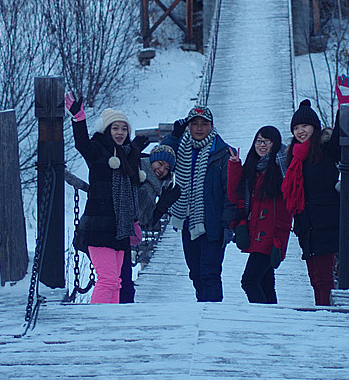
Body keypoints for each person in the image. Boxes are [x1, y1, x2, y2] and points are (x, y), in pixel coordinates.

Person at [281, 75, 349, 306]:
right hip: (307, 226)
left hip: (326, 223)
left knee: (324, 280)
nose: (300, 131)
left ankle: (327, 319)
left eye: (305, 126)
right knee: (314, 280)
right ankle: (322, 315)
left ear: (315, 127)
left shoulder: (326, 149)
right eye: (296, 127)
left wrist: (344, 104)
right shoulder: (293, 156)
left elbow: (342, 136)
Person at [65, 93, 144, 304]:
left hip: (120, 228)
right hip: (99, 226)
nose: (120, 132)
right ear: (106, 129)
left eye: (124, 128)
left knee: (116, 282)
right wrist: (78, 119)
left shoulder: (128, 155)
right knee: (108, 279)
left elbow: (134, 191)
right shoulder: (97, 150)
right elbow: (82, 144)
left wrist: (134, 222)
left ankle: (112, 324)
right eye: (115, 128)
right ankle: (95, 324)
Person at [161, 106, 235, 302]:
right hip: (187, 222)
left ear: (212, 126)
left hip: (213, 224)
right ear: (189, 127)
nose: (199, 128)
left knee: (209, 273)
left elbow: (231, 191)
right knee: (195, 274)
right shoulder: (182, 147)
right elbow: (161, 158)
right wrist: (174, 136)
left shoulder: (224, 153)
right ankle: (202, 310)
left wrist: (228, 223)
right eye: (194, 124)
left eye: (204, 124)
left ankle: (211, 318)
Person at [227, 126, 291, 304]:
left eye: (267, 141)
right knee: (265, 282)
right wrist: (234, 166)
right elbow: (234, 195)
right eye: (259, 141)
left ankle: (264, 320)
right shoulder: (253, 168)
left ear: (275, 143)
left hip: (272, 233)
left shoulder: (281, 166)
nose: (262, 145)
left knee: (249, 281)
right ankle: (271, 319)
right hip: (256, 231)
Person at [118, 143, 181, 303]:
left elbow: (144, 222)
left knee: (122, 285)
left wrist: (161, 207)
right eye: (160, 164)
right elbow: (139, 217)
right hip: (112, 235)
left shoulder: (153, 185)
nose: (162, 170)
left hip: (122, 238)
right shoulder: (139, 175)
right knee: (118, 283)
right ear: (152, 159)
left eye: (167, 169)